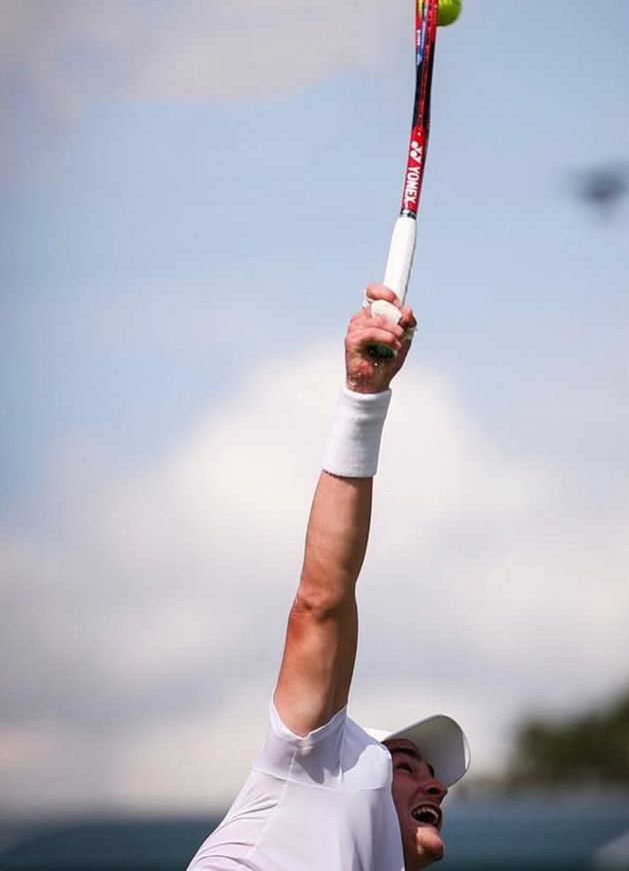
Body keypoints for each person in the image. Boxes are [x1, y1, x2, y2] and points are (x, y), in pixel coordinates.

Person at [187, 284, 470, 871]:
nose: (436, 787)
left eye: (430, 774)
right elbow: (322, 599)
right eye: (406, 766)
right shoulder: (322, 755)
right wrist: (363, 399)